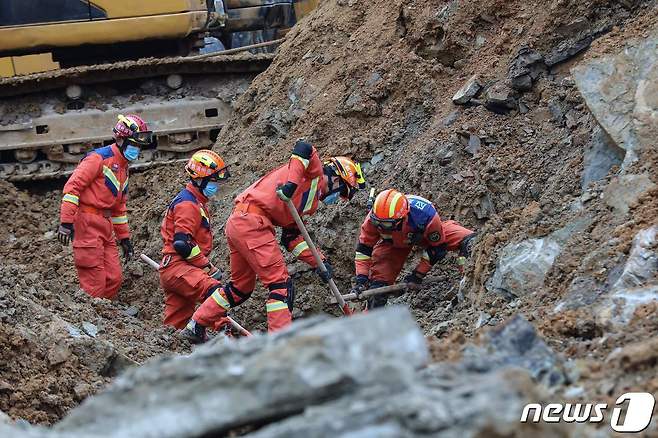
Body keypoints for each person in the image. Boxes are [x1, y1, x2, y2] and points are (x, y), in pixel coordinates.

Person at [181, 140, 365, 342]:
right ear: (337, 180)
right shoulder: (314, 173)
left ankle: (196, 325)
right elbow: (304, 148)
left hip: (240, 223)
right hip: (253, 223)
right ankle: (279, 345)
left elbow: (291, 238)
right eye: (342, 192)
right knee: (281, 286)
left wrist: (319, 262)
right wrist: (291, 186)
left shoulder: (309, 203)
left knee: (240, 289)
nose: (338, 198)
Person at [57, 114, 152, 299]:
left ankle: (105, 316)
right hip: (87, 222)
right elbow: (72, 189)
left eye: (139, 146)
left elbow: (119, 208)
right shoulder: (97, 159)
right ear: (120, 139)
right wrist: (66, 222)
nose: (136, 150)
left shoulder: (123, 167)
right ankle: (90, 320)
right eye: (134, 144)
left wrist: (124, 238)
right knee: (95, 281)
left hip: (105, 224)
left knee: (114, 278)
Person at [352, 189, 475, 308]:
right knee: (378, 286)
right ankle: (374, 313)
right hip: (393, 243)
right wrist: (361, 279)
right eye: (378, 223)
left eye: (386, 224)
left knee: (469, 241)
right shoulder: (375, 218)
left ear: (403, 217)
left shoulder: (426, 215)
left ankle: (470, 283)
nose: (381, 227)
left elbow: (437, 249)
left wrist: (417, 275)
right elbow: (364, 249)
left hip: (424, 234)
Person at [158, 150, 230, 329]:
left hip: (176, 269)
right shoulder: (188, 204)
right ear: (200, 180)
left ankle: (172, 350)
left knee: (176, 324)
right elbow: (183, 243)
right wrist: (207, 266)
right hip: (179, 267)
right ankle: (227, 337)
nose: (216, 185)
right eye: (213, 181)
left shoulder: (194, 200)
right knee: (215, 293)